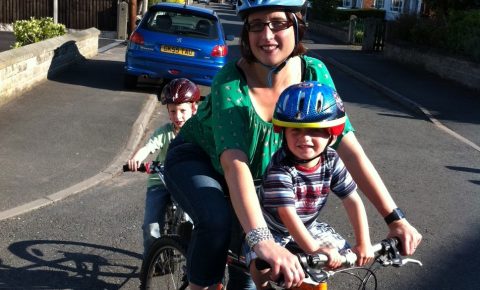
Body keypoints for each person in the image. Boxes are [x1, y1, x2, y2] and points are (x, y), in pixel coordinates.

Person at [163, 0, 422, 289]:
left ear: (297, 25)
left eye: (278, 23)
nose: (267, 35)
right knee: (216, 222)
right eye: (257, 25)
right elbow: (234, 164)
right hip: (198, 158)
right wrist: (263, 241)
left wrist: (395, 218)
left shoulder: (313, 73)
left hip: (259, 173)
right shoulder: (230, 82)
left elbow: (350, 148)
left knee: (252, 266)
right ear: (247, 33)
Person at [248, 81, 374, 288]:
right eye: (295, 131)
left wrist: (364, 242)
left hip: (308, 225)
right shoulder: (281, 168)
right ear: (284, 133)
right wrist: (314, 249)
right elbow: (287, 215)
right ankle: (261, 286)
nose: (304, 138)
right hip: (272, 230)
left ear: (331, 135)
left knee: (343, 258)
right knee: (263, 264)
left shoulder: (331, 160)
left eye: (314, 130)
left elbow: (352, 199)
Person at [126, 78, 201, 257]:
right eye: (173, 111)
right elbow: (149, 146)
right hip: (159, 181)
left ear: (194, 109)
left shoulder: (198, 133)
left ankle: (190, 257)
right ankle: (153, 260)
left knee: (192, 221)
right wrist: (136, 158)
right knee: (151, 226)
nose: (178, 116)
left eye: (183, 111)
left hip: (184, 182)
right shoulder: (165, 132)